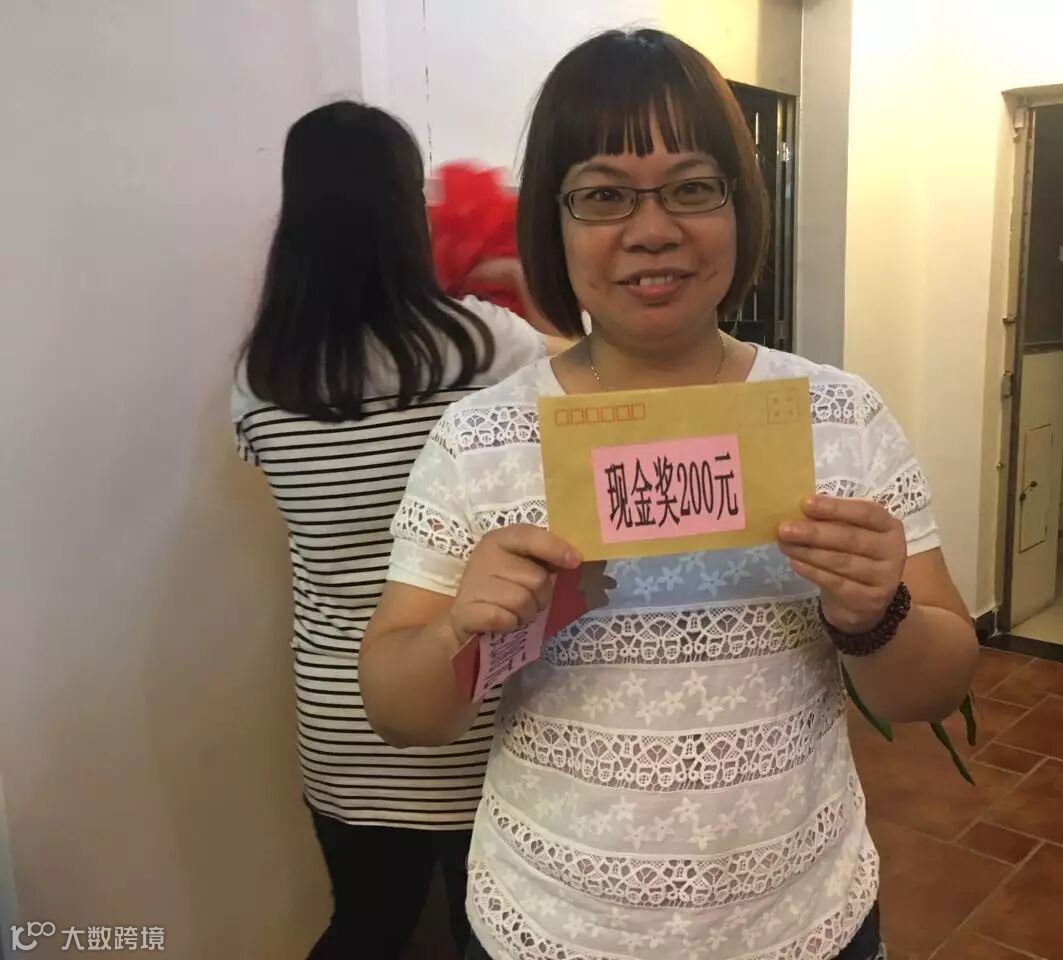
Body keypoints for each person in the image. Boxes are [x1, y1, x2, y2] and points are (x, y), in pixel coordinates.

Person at [361, 30, 978, 960]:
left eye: (692, 188)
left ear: (739, 205)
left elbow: (940, 679)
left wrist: (874, 614)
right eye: (604, 195)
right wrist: (459, 630)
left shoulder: (840, 418)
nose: (653, 230)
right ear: (554, 220)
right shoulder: (481, 438)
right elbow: (397, 710)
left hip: (804, 924)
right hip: (552, 929)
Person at [232, 101, 559, 959]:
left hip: (340, 717)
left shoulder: (260, 377)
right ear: (406, 209)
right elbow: (594, 385)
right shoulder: (489, 345)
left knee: (366, 927)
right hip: (470, 706)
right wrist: (520, 284)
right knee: (492, 933)